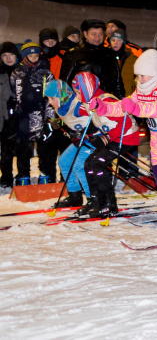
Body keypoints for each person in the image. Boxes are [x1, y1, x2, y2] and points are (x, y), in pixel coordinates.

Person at [94, 49, 157, 215]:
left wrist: (136, 107)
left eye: (143, 75)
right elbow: (124, 107)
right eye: (138, 75)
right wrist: (104, 107)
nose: (139, 79)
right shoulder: (141, 89)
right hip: (156, 136)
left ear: (154, 73)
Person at [76, 72, 141, 218]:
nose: (77, 96)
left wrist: (107, 137)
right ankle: (96, 200)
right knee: (88, 164)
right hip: (114, 137)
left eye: (78, 92)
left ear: (86, 89)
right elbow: (99, 122)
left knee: (97, 164)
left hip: (127, 137)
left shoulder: (106, 101)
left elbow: (127, 123)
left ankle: (108, 204)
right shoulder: (89, 102)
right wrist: (89, 134)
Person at [11, 41, 57, 185]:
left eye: (36, 55)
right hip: (23, 116)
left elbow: (52, 97)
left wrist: (50, 119)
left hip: (41, 115)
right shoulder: (17, 73)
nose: (33, 58)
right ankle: (23, 176)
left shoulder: (46, 73)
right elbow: (13, 95)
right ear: (24, 57)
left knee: (44, 149)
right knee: (23, 149)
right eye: (30, 55)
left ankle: (45, 175)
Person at [45, 80, 93, 208]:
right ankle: (75, 196)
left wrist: (87, 132)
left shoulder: (78, 105)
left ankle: (92, 198)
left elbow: (97, 117)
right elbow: (70, 119)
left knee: (79, 165)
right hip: (82, 141)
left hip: (94, 140)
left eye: (51, 98)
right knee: (64, 161)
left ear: (61, 95)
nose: (49, 102)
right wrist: (58, 123)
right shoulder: (62, 107)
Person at [0, 43, 16, 194]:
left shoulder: (23, 72)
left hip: (20, 116)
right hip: (3, 118)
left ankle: (24, 176)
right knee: (6, 150)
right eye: (4, 55)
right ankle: (6, 178)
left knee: (24, 149)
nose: (8, 58)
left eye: (10, 54)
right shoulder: (1, 73)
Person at [108, 29, 139, 98]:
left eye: (119, 40)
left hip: (127, 97)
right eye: (113, 40)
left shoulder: (133, 59)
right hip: (109, 98)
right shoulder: (105, 57)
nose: (115, 43)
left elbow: (139, 81)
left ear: (124, 42)